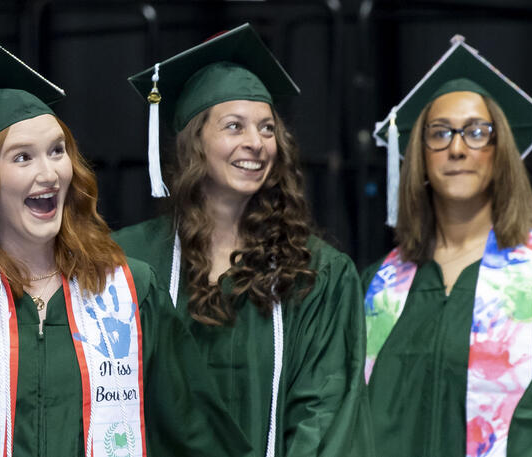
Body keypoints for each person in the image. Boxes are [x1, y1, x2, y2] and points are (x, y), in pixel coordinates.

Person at [0, 41, 248, 456]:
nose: (49, 173)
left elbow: (197, 432)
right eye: (22, 157)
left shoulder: (128, 289)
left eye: (57, 151)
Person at [112, 23, 365, 457]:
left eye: (267, 129)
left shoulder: (316, 274)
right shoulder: (128, 261)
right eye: (234, 126)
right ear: (196, 141)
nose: (256, 143)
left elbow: (325, 410)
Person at [363, 35, 532, 456]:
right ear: (420, 156)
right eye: (439, 134)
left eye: (477, 132)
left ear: (501, 153)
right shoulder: (377, 288)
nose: (457, 148)